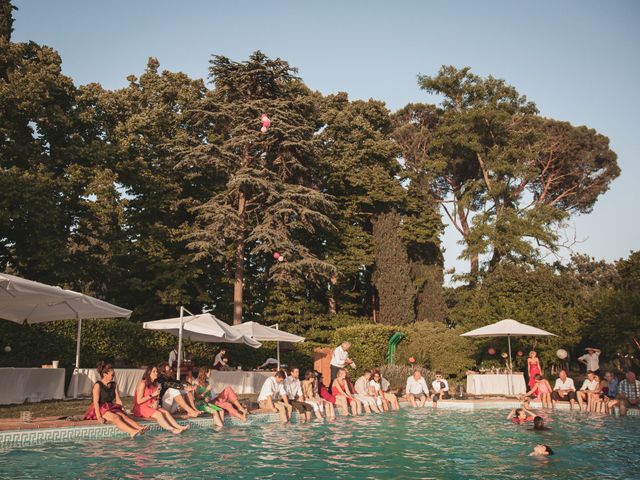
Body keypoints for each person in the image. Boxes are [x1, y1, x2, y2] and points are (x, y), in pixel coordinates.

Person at [84, 361, 148, 438]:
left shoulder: (114, 385)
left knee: (124, 416)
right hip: (100, 408)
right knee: (116, 417)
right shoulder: (98, 385)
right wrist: (99, 417)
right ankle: (132, 431)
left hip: (110, 407)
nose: (113, 376)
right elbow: (96, 402)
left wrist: (122, 409)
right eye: (112, 374)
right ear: (105, 374)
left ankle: (139, 427)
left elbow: (118, 399)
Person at [133, 365, 189, 434]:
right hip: (141, 407)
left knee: (166, 412)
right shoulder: (143, 383)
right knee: (159, 414)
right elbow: (138, 401)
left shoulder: (155, 384)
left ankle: (179, 427)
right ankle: (172, 430)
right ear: (149, 373)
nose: (156, 373)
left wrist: (156, 403)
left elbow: (156, 399)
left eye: (156, 371)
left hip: (150, 406)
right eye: (154, 371)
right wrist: (152, 395)